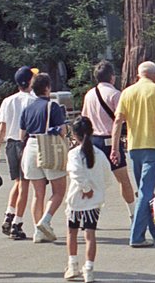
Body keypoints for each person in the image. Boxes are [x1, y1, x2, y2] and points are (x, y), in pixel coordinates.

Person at [110, 60, 155, 248]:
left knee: (144, 190)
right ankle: (136, 236)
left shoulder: (127, 92)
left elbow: (118, 121)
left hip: (134, 147)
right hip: (152, 146)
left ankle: (153, 230)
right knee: (146, 192)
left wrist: (114, 148)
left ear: (139, 75)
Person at [19, 72, 69, 244]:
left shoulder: (27, 108)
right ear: (47, 88)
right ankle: (45, 221)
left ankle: (37, 230)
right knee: (59, 190)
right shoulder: (52, 106)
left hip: (30, 147)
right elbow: (62, 131)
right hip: (49, 147)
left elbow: (22, 134)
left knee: (37, 193)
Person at [80, 61, 134, 214]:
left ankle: (89, 213)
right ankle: (132, 212)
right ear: (112, 77)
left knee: (93, 180)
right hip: (111, 141)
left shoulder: (89, 94)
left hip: (92, 140)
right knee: (124, 180)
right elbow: (121, 118)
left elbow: (84, 118)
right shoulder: (116, 94)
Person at [64, 116, 111, 283]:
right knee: (90, 235)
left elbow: (76, 173)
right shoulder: (99, 153)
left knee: (72, 232)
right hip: (95, 201)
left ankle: (73, 265)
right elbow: (107, 177)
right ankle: (89, 269)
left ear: (74, 135)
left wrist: (86, 189)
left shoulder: (73, 154)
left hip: (76, 199)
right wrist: (97, 190)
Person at [0, 65, 37, 240]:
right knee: (24, 185)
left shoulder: (8, 100)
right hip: (24, 143)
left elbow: (1, 128)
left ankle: (9, 214)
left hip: (10, 144)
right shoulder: (32, 101)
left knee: (18, 182)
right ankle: (17, 223)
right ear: (29, 81)